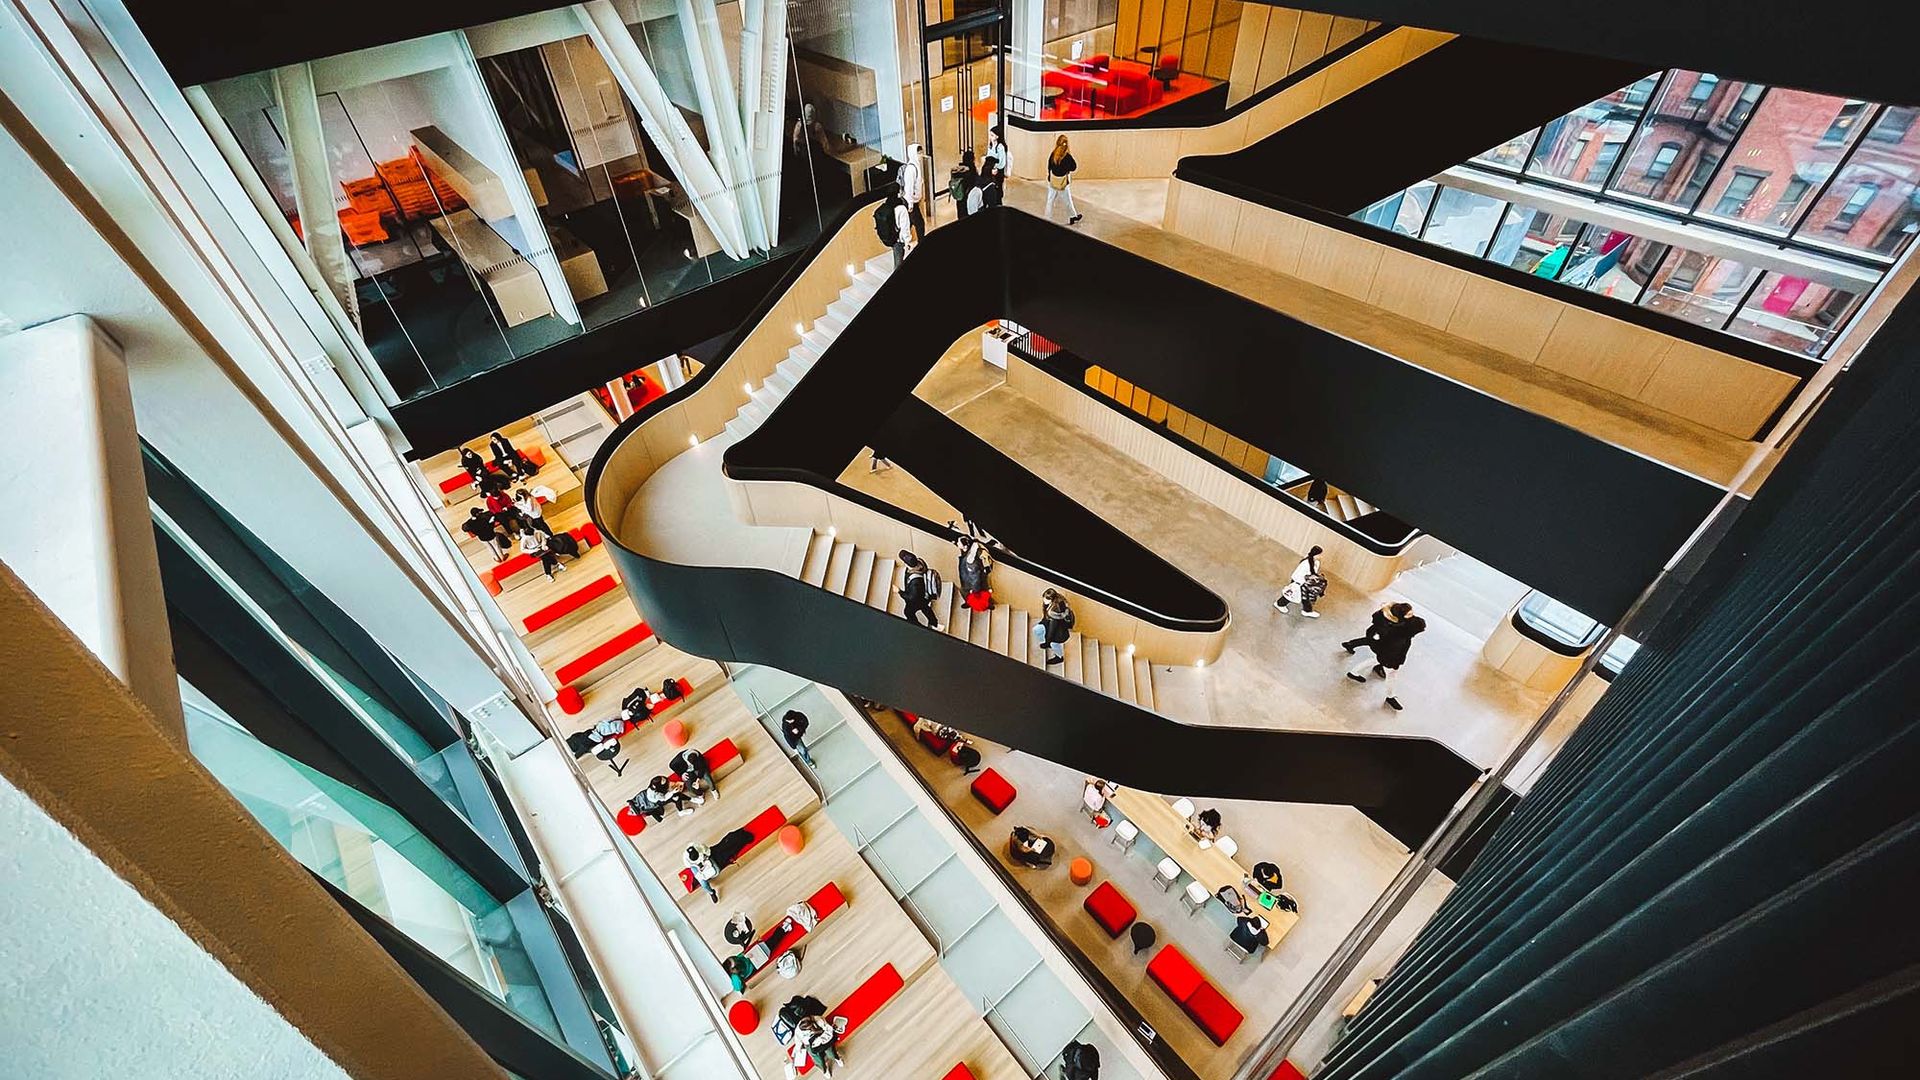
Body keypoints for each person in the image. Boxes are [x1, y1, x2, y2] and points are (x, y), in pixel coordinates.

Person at [1343, 601, 1427, 711]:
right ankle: (1390, 696)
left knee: (1374, 660)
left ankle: (1353, 672)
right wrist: (1396, 663)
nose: (1412, 616)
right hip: (1389, 657)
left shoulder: (1394, 625)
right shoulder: (1397, 633)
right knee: (1391, 676)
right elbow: (1395, 650)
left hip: (1384, 653)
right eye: (1409, 614)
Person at [1274, 545, 1326, 618]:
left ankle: (1307, 611)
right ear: (1316, 554)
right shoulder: (1306, 564)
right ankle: (1279, 604)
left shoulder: (1315, 562)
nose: (1321, 556)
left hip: (1304, 583)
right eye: (1320, 554)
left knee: (1305, 597)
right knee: (1291, 595)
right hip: (1299, 582)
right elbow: (1298, 574)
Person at [897, 550, 943, 631]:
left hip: (918, 599)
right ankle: (934, 624)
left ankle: (918, 628)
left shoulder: (916, 582)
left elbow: (911, 597)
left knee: (908, 613)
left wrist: (899, 591)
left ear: (906, 564)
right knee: (926, 608)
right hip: (925, 596)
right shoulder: (921, 563)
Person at [1044, 135, 1082, 225]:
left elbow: (1049, 166)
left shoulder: (1053, 154)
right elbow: (1074, 167)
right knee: (1067, 200)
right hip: (1062, 183)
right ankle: (1072, 216)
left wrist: (1049, 176)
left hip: (1053, 181)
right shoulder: (1067, 157)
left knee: (1050, 200)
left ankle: (1046, 218)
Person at [956, 531, 993, 612]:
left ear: (965, 546)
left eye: (958, 543)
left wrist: (975, 590)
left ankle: (985, 605)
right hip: (975, 579)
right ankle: (988, 604)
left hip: (970, 583)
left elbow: (975, 577)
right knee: (985, 593)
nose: (957, 543)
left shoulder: (970, 561)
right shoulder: (971, 550)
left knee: (969, 593)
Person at [1036, 589, 1075, 665]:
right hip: (1057, 626)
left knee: (1054, 644)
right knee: (1038, 630)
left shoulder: (1054, 614)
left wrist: (1048, 641)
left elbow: (1052, 631)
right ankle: (1048, 644)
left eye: (1046, 599)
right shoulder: (1054, 603)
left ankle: (1059, 658)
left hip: (1060, 632)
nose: (1044, 600)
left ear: (1052, 599)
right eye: (1044, 598)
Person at [896, 145, 926, 241]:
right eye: (919, 153)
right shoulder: (911, 169)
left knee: (911, 222)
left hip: (913, 201)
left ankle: (901, 239)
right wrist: (910, 204)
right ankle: (921, 243)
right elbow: (908, 187)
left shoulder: (916, 165)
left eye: (921, 152)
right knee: (919, 224)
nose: (921, 155)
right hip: (910, 201)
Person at [949, 148, 978, 218]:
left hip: (959, 196)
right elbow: (975, 181)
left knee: (960, 214)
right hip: (967, 196)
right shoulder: (971, 169)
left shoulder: (958, 169)